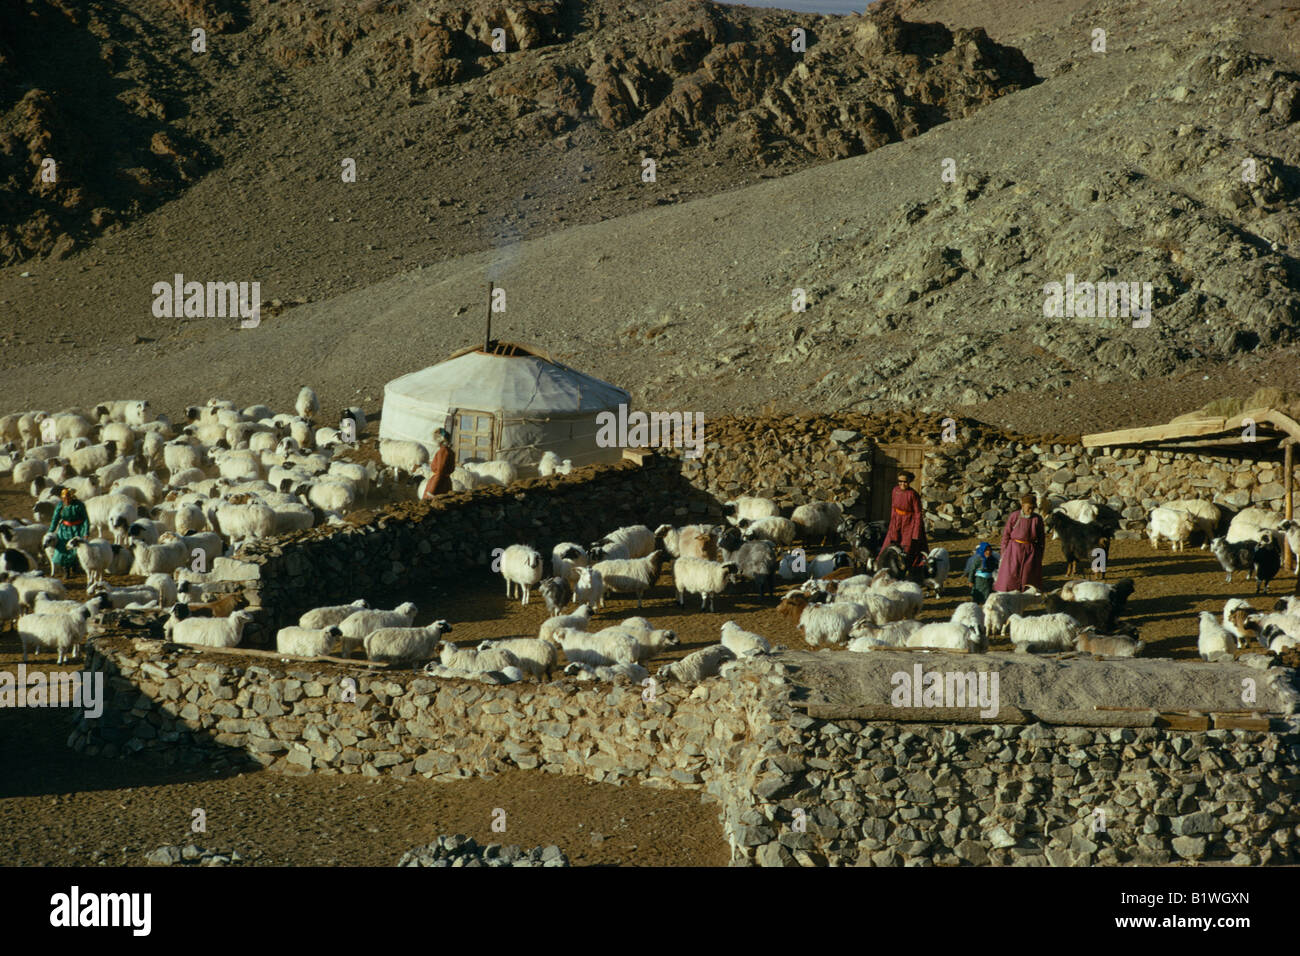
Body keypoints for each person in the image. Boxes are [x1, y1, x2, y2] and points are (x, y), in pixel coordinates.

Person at [877, 470, 927, 571]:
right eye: (900, 481)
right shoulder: (895, 490)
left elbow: (917, 513)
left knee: (906, 546)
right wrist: (893, 522)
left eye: (905, 482)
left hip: (909, 523)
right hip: (897, 520)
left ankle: (904, 567)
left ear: (909, 482)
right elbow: (893, 507)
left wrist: (916, 531)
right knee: (891, 542)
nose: (902, 484)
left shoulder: (913, 494)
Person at [994, 494, 1045, 592]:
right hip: (1014, 549)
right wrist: (1004, 551)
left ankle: (1025, 592)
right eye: (1028, 508)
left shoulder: (1037, 519)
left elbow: (1041, 538)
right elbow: (1006, 535)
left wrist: (1039, 553)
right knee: (1011, 571)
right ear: (1022, 505)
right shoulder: (1015, 516)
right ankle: (1008, 590)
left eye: (1033, 508)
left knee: (1028, 572)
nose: (1030, 510)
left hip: (1030, 550)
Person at [48, 487, 89, 579]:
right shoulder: (61, 506)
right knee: (62, 550)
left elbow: (85, 519)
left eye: (67, 498)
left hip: (76, 529)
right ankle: (66, 570)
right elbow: (55, 518)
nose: (66, 500)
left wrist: (86, 531)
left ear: (71, 497)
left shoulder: (78, 505)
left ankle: (75, 566)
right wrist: (51, 530)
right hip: (64, 530)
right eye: (64, 498)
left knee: (75, 549)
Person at [420, 428, 455, 500]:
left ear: (440, 439)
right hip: (446, 482)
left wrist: (431, 491)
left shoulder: (443, 452)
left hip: (439, 485)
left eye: (435, 438)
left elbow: (440, 472)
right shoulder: (450, 451)